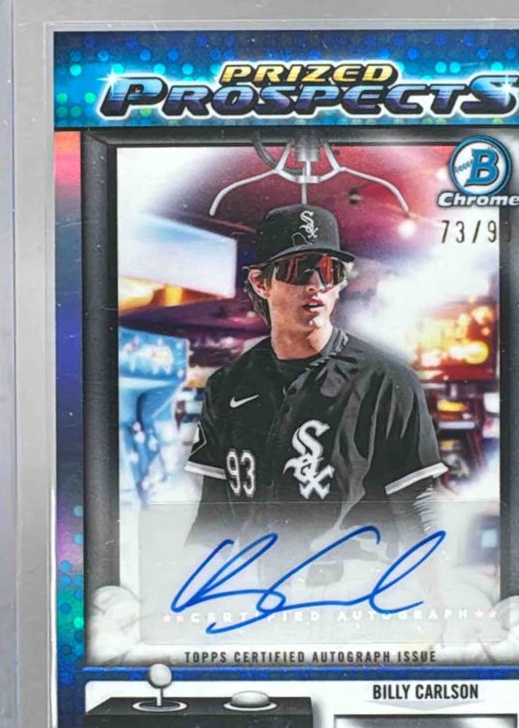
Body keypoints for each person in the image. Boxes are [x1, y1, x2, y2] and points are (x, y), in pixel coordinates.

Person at [185, 204, 447, 584]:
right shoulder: (227, 385)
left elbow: (416, 504)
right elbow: (215, 513)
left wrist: (439, 600)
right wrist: (183, 586)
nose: (316, 284)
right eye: (298, 269)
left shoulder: (387, 380)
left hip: (357, 592)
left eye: (329, 270)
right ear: (261, 283)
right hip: (260, 593)